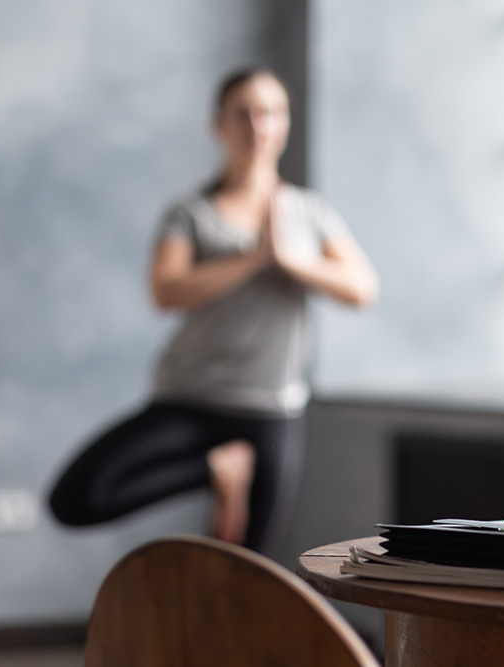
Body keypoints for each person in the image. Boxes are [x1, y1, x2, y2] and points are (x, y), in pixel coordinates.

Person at [48, 67, 378, 551]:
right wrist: (253, 259)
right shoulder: (190, 213)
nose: (257, 126)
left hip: (270, 411)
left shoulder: (309, 214)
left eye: (270, 113)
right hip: (190, 398)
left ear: (284, 123)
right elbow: (166, 290)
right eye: (242, 114)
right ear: (219, 126)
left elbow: (361, 288)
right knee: (76, 498)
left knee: (250, 569)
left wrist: (291, 261)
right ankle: (217, 468)